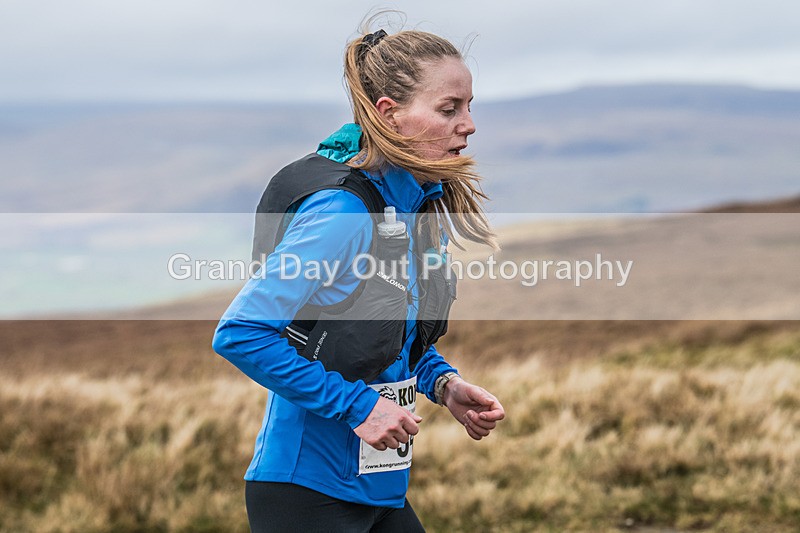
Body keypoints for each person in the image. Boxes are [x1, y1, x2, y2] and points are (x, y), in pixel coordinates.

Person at [212, 23, 505, 533]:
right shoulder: (344, 212)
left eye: (469, 106)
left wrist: (443, 383)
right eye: (449, 108)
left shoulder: (412, 208)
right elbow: (241, 333)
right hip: (307, 492)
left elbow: (384, 332)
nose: (470, 124)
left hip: (379, 489)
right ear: (391, 113)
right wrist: (357, 406)